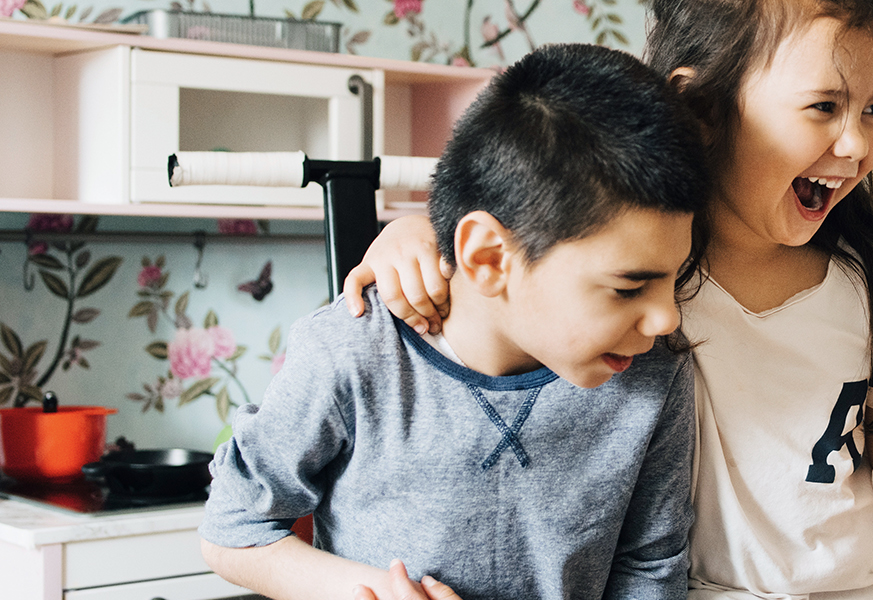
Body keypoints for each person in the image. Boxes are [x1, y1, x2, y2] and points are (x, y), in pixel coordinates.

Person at [346, 1, 873, 598]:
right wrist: (408, 238)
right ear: (703, 108)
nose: (857, 142)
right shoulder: (638, 274)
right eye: (824, 107)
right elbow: (509, 267)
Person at [199, 43, 709, 600]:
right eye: (629, 287)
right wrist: (368, 591)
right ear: (489, 258)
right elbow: (233, 529)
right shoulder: (352, 351)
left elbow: (649, 567)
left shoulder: (655, 374)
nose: (666, 317)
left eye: (674, 278)